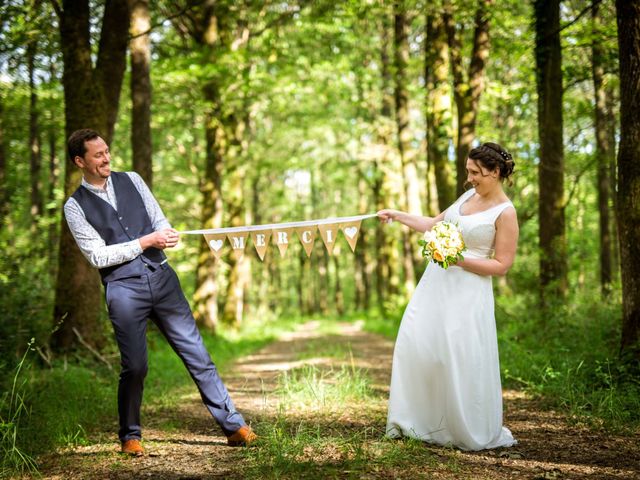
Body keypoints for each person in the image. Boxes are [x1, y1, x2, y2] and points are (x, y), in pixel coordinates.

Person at [64, 129, 257, 455]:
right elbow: (98, 256)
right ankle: (130, 436)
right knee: (135, 366)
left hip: (163, 279)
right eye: (98, 155)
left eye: (107, 151)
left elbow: (158, 219)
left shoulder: (133, 180)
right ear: (79, 161)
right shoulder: (74, 206)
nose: (106, 158)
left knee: (198, 356)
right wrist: (145, 242)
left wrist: (165, 235)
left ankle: (234, 426)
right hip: (123, 289)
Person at [377, 142, 519, 451]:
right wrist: (397, 215)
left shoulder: (505, 212)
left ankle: (458, 426)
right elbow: (432, 225)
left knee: (456, 356)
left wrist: (458, 260)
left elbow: (502, 264)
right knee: (416, 342)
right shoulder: (469, 195)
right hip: (435, 285)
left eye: (476, 173)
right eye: (468, 171)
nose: (469, 179)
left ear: (495, 173)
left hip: (468, 293)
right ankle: (415, 420)